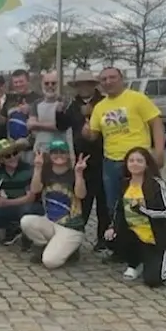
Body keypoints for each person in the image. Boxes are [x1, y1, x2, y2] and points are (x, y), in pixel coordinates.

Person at [82, 67, 165, 222]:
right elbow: (93, 135)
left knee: (142, 203)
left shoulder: (137, 98)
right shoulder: (100, 107)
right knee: (114, 206)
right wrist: (85, 131)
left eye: (112, 77)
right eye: (104, 79)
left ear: (121, 79)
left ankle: (145, 240)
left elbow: (156, 123)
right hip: (111, 163)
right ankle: (120, 240)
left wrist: (159, 151)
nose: (108, 82)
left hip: (138, 161)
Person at [105, 147, 166, 287]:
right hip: (133, 235)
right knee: (111, 239)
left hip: (154, 237)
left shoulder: (157, 184)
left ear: (147, 164)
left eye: (139, 161)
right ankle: (135, 262)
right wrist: (112, 227)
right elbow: (119, 209)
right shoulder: (125, 184)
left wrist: (143, 210)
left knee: (153, 281)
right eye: (131, 161)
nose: (135, 164)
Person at [20, 141, 89, 269]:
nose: (59, 155)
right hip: (50, 221)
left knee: (50, 262)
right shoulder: (46, 171)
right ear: (50, 155)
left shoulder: (73, 172)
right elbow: (35, 190)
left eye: (62, 152)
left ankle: (71, 249)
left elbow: (81, 195)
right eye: (55, 152)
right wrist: (37, 168)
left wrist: (79, 174)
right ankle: (43, 245)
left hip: (71, 226)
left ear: (68, 155)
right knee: (26, 221)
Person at [63, 71, 109, 255]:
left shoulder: (103, 102)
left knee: (104, 203)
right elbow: (62, 125)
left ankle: (103, 240)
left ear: (93, 85)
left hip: (104, 156)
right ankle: (75, 239)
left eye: (87, 84)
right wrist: (59, 112)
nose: (84, 88)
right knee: (82, 201)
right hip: (82, 158)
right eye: (80, 85)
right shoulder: (72, 105)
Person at [29, 71, 72, 153]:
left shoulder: (66, 102)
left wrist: (38, 125)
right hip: (41, 149)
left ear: (58, 84)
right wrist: (53, 125)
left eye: (53, 83)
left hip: (61, 151)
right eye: (46, 83)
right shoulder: (36, 103)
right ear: (42, 85)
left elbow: (62, 126)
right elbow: (30, 125)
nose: (50, 86)